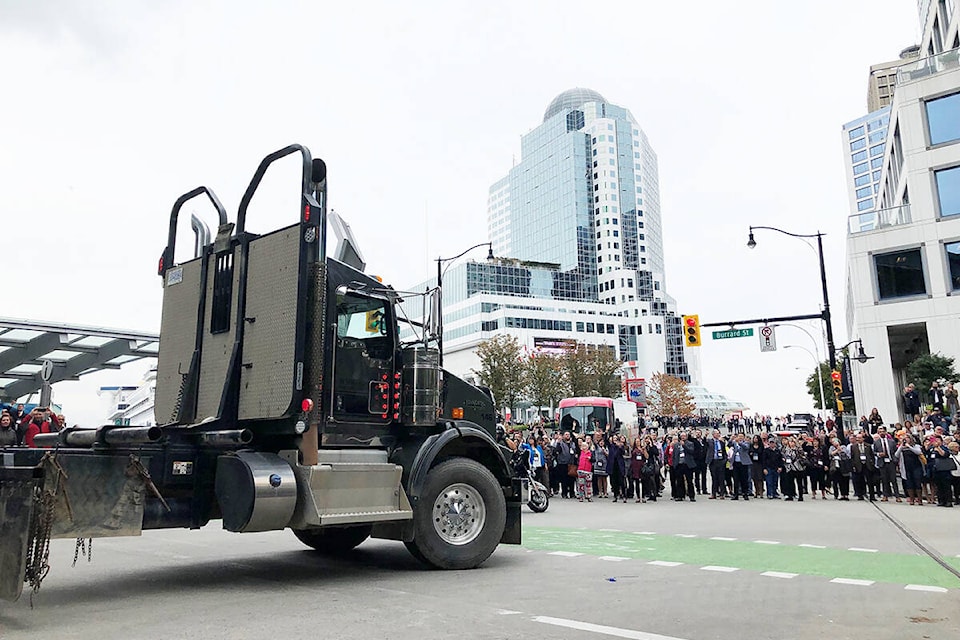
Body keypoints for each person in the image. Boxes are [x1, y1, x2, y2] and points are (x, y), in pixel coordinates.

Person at [895, 433, 925, 505]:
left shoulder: (916, 446)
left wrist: (909, 447)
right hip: (906, 467)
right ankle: (912, 499)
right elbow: (896, 455)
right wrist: (901, 446)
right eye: (904, 438)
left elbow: (918, 452)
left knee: (917, 482)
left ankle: (919, 499)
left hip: (916, 467)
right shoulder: (902, 448)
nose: (906, 439)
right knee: (909, 483)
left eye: (907, 438)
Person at [872, 425, 900, 502]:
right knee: (884, 480)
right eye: (880, 432)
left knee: (893, 479)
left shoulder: (891, 441)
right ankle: (885, 495)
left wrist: (895, 461)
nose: (881, 433)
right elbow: (874, 452)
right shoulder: (876, 442)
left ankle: (897, 496)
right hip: (882, 462)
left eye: (883, 431)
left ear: (886, 432)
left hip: (891, 462)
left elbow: (895, 451)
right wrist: (878, 454)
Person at [927, 435, 955, 507]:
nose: (936, 442)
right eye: (935, 440)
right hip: (935, 470)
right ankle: (941, 500)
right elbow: (928, 455)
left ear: (941, 441)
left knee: (946, 486)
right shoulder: (932, 449)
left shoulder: (944, 448)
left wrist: (938, 448)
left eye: (938, 440)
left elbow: (944, 454)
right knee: (939, 486)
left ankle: (948, 501)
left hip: (944, 470)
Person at [849, 432, 877, 501]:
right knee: (859, 481)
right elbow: (852, 457)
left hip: (867, 465)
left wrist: (872, 464)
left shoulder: (868, 446)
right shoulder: (853, 447)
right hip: (859, 465)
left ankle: (872, 496)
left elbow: (872, 456)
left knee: (870, 481)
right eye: (857, 438)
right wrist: (853, 466)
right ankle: (860, 495)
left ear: (863, 438)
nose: (858, 439)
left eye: (860, 438)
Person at [554, 431, 578, 499]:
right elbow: (556, 451)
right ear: (563, 436)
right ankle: (564, 493)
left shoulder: (572, 443)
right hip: (563, 464)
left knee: (572, 479)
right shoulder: (560, 443)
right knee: (564, 479)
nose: (567, 436)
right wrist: (558, 442)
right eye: (566, 434)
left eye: (568, 434)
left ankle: (572, 493)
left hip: (571, 463)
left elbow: (575, 451)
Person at [705, 429, 727, 499]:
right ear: (713, 434)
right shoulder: (710, 441)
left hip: (720, 461)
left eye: (719, 433)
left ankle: (722, 493)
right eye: (716, 433)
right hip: (713, 461)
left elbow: (724, 452)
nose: (718, 435)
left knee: (721, 478)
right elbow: (705, 442)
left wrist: (724, 460)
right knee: (714, 478)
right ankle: (713, 493)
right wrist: (705, 435)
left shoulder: (722, 443)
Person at [729, 432, 751, 500]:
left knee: (744, 479)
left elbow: (746, 447)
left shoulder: (746, 443)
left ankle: (745, 493)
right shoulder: (735, 443)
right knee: (736, 479)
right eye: (739, 436)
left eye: (741, 436)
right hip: (736, 462)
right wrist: (731, 439)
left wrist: (739, 443)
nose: (740, 437)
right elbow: (729, 444)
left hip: (743, 463)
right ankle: (736, 494)